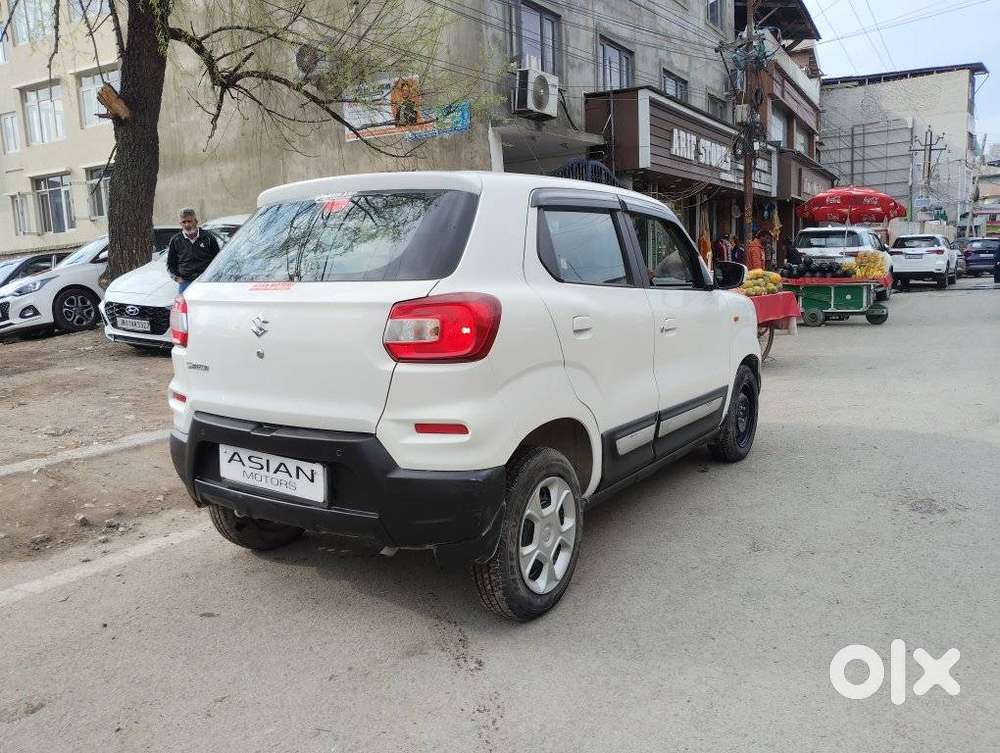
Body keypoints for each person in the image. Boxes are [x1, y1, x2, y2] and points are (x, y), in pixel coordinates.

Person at [166, 208, 222, 294]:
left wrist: (213, 277)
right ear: (180, 224)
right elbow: (170, 264)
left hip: (205, 281)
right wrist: (176, 278)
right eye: (184, 222)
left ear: (196, 221)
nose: (187, 225)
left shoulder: (208, 237)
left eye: (189, 221)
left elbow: (218, 260)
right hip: (185, 283)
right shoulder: (176, 240)